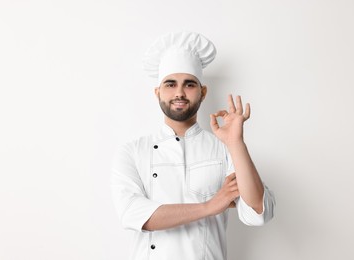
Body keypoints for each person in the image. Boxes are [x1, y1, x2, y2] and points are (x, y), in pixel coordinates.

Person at [111, 31, 275, 260]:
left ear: (203, 92)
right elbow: (133, 214)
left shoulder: (224, 149)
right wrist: (210, 206)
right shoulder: (133, 151)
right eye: (170, 84)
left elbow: (258, 213)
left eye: (189, 84)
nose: (179, 93)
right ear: (158, 92)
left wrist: (236, 143)